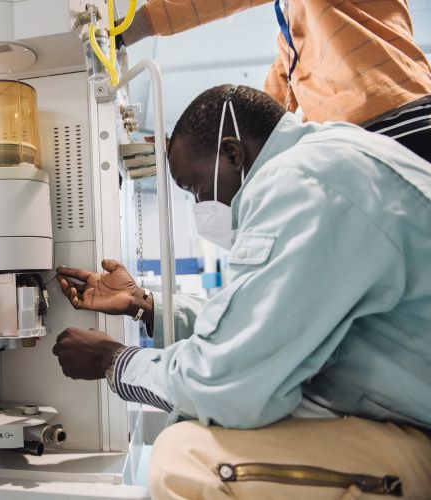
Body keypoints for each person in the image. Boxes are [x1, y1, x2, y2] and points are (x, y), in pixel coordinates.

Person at [53, 84, 431, 498]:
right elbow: (265, 324)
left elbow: (226, 383)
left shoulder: (302, 184)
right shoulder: (328, 158)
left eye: (195, 188)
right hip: (406, 411)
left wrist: (114, 361)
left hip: (420, 435)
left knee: (187, 457)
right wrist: (145, 306)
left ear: (232, 153)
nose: (199, 205)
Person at [118, 0, 431, 163]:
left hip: (395, 119)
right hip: (351, 137)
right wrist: (194, 146)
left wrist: (130, 28)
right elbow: (267, 111)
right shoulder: (295, 33)